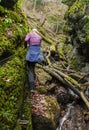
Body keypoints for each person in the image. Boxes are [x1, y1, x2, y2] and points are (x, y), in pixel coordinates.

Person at [24, 28, 44, 93]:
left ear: (32, 31)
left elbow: (26, 40)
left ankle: (32, 88)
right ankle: (33, 83)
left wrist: (25, 46)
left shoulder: (29, 34)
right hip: (37, 55)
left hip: (31, 54)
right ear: (36, 32)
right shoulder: (39, 37)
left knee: (30, 70)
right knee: (33, 67)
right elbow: (40, 46)